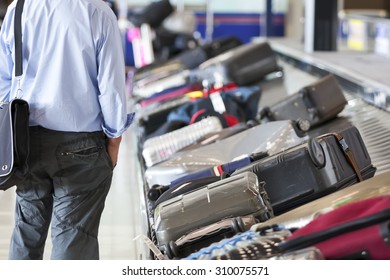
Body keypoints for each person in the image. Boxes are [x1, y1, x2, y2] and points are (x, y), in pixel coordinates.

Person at [0, 0, 134, 260]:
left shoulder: (19, 8)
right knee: (74, 236)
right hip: (81, 145)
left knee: (27, 230)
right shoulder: (98, 11)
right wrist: (114, 140)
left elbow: (4, 81)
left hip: (26, 143)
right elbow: (111, 87)